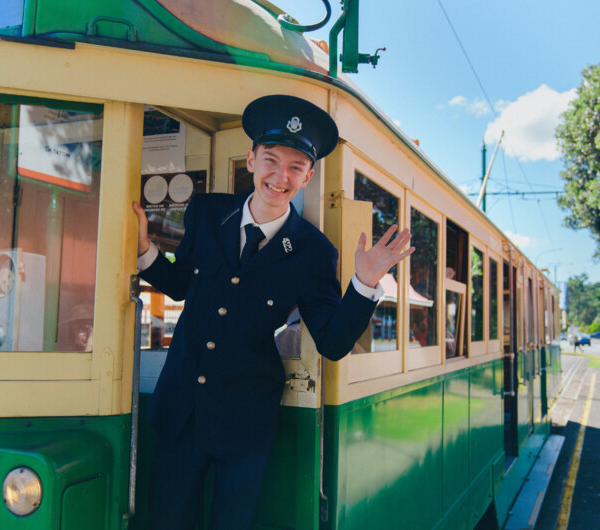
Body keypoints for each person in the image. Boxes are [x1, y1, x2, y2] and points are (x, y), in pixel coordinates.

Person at [132, 94, 414, 529]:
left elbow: (334, 343)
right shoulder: (207, 214)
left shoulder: (313, 251)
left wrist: (366, 282)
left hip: (245, 421)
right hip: (181, 409)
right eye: (271, 160)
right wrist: (144, 249)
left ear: (308, 176)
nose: (281, 176)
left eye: (295, 167)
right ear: (251, 159)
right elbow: (181, 284)